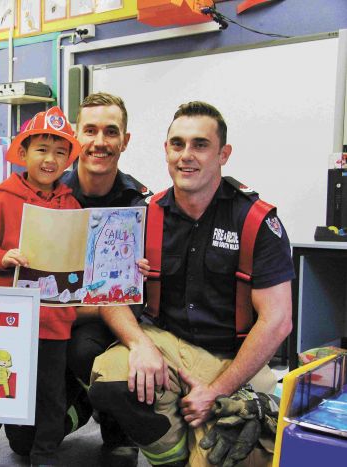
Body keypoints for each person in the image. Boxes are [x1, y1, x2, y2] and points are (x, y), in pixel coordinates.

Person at [88, 101, 294, 466]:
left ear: (223, 154)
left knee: (233, 453)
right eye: (177, 144)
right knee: (111, 379)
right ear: (166, 150)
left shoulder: (256, 222)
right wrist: (139, 344)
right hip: (165, 343)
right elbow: (109, 294)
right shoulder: (141, 216)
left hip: (232, 359)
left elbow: (277, 320)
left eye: (200, 145)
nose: (186, 156)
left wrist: (216, 391)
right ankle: (171, 457)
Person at [0, 106, 83, 467]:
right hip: (7, 317)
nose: (50, 159)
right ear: (24, 154)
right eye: (42, 149)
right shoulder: (4, 197)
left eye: (61, 152)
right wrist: (1, 257)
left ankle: (45, 456)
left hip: (54, 321)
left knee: (50, 396)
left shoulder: (72, 204)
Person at [60, 92, 153, 466]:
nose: (100, 142)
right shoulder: (49, 192)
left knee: (84, 350)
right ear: (75, 135)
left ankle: (116, 423)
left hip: (102, 320)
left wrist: (149, 271)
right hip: (50, 318)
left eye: (110, 132)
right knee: (24, 440)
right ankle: (81, 402)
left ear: (124, 141)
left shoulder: (140, 205)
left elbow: (141, 292)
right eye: (90, 130)